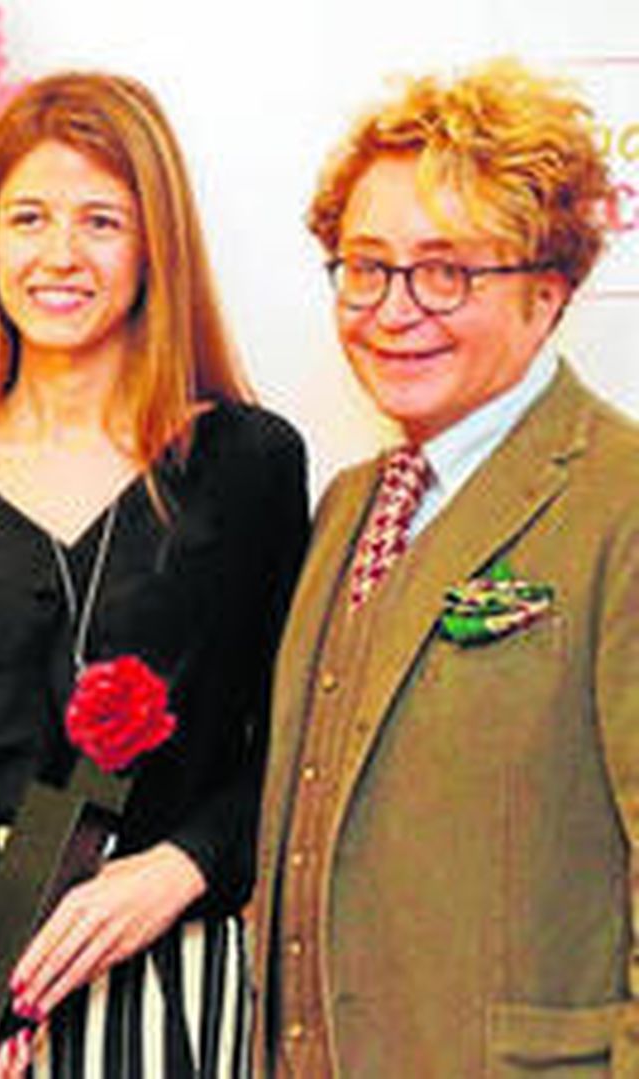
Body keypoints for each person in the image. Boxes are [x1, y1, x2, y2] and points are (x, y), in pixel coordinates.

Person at [0, 71, 309, 1077]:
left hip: (165, 962)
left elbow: (299, 737)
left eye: (100, 221)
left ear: (154, 245)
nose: (59, 254)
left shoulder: (248, 464)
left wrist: (180, 868)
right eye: (29, 217)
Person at [254, 58, 638, 1077]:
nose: (391, 308)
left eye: (447, 270)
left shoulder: (623, 502)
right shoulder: (348, 502)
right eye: (366, 265)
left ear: (548, 291)